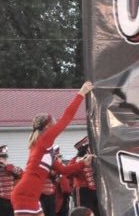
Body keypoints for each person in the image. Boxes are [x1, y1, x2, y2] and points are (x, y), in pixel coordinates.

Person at [11, 82, 95, 216]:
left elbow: (63, 170)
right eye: (53, 122)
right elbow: (66, 119)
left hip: (29, 195)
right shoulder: (44, 140)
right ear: (47, 127)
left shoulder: (46, 151)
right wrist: (81, 93)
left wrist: (83, 163)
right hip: (25, 194)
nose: (56, 123)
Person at [1, 145, 23, 216]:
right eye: (1, 157)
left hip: (11, 200)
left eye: (4, 157)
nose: (2, 159)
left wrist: (7, 166)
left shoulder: (11, 167)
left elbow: (21, 173)